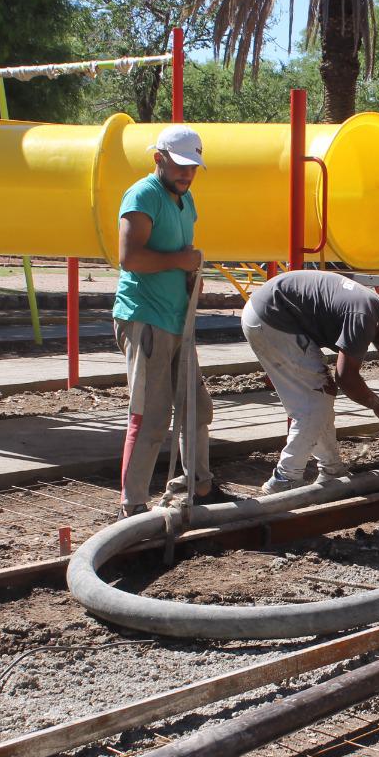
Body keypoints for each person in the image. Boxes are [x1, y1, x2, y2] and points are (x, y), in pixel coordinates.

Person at [114, 124, 229, 518]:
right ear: (158, 159)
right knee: (151, 414)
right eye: (180, 166)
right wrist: (180, 262)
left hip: (177, 320)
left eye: (193, 167)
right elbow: (130, 258)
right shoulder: (143, 195)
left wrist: (189, 277)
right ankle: (132, 505)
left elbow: (181, 254)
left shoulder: (185, 198)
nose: (187, 174)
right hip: (146, 319)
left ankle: (199, 485)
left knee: (195, 406)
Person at [242, 270, 379, 493]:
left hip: (270, 313)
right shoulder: (363, 316)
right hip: (273, 319)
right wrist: (375, 403)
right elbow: (346, 377)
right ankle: (285, 478)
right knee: (314, 404)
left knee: (320, 398)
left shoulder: (376, 311)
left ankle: (332, 470)